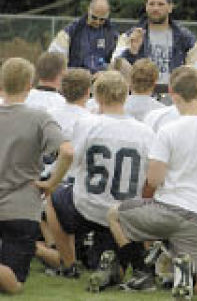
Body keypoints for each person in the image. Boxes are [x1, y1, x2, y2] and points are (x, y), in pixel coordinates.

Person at [107, 66, 197, 295]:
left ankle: (142, 272)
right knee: (195, 287)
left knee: (114, 214)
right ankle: (185, 274)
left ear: (173, 95)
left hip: (167, 209)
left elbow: (154, 179)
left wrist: (178, 173)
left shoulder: (168, 130)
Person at [43, 71, 155, 285]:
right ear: (126, 94)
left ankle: (69, 264)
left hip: (87, 207)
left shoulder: (88, 124)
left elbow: (72, 165)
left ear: (98, 96)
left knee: (53, 198)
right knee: (115, 269)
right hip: (123, 213)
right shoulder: (146, 132)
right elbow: (152, 178)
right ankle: (115, 261)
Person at [0, 57, 73, 294]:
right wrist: (52, 182)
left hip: (16, 208)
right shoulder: (39, 117)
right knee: (15, 284)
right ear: (29, 86)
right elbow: (67, 152)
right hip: (21, 206)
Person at [111, 0, 197, 86]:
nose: (155, 8)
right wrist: (131, 52)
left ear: (170, 7)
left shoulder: (186, 39)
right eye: (151, 4)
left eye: (161, 4)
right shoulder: (129, 37)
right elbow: (114, 69)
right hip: (140, 95)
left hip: (175, 96)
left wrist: (183, 80)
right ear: (146, 7)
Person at [48, 0, 119, 74]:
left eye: (102, 19)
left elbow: (117, 58)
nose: (97, 22)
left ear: (107, 15)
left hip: (102, 79)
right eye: (94, 17)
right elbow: (54, 54)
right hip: (76, 78)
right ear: (89, 10)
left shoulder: (112, 33)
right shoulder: (73, 30)